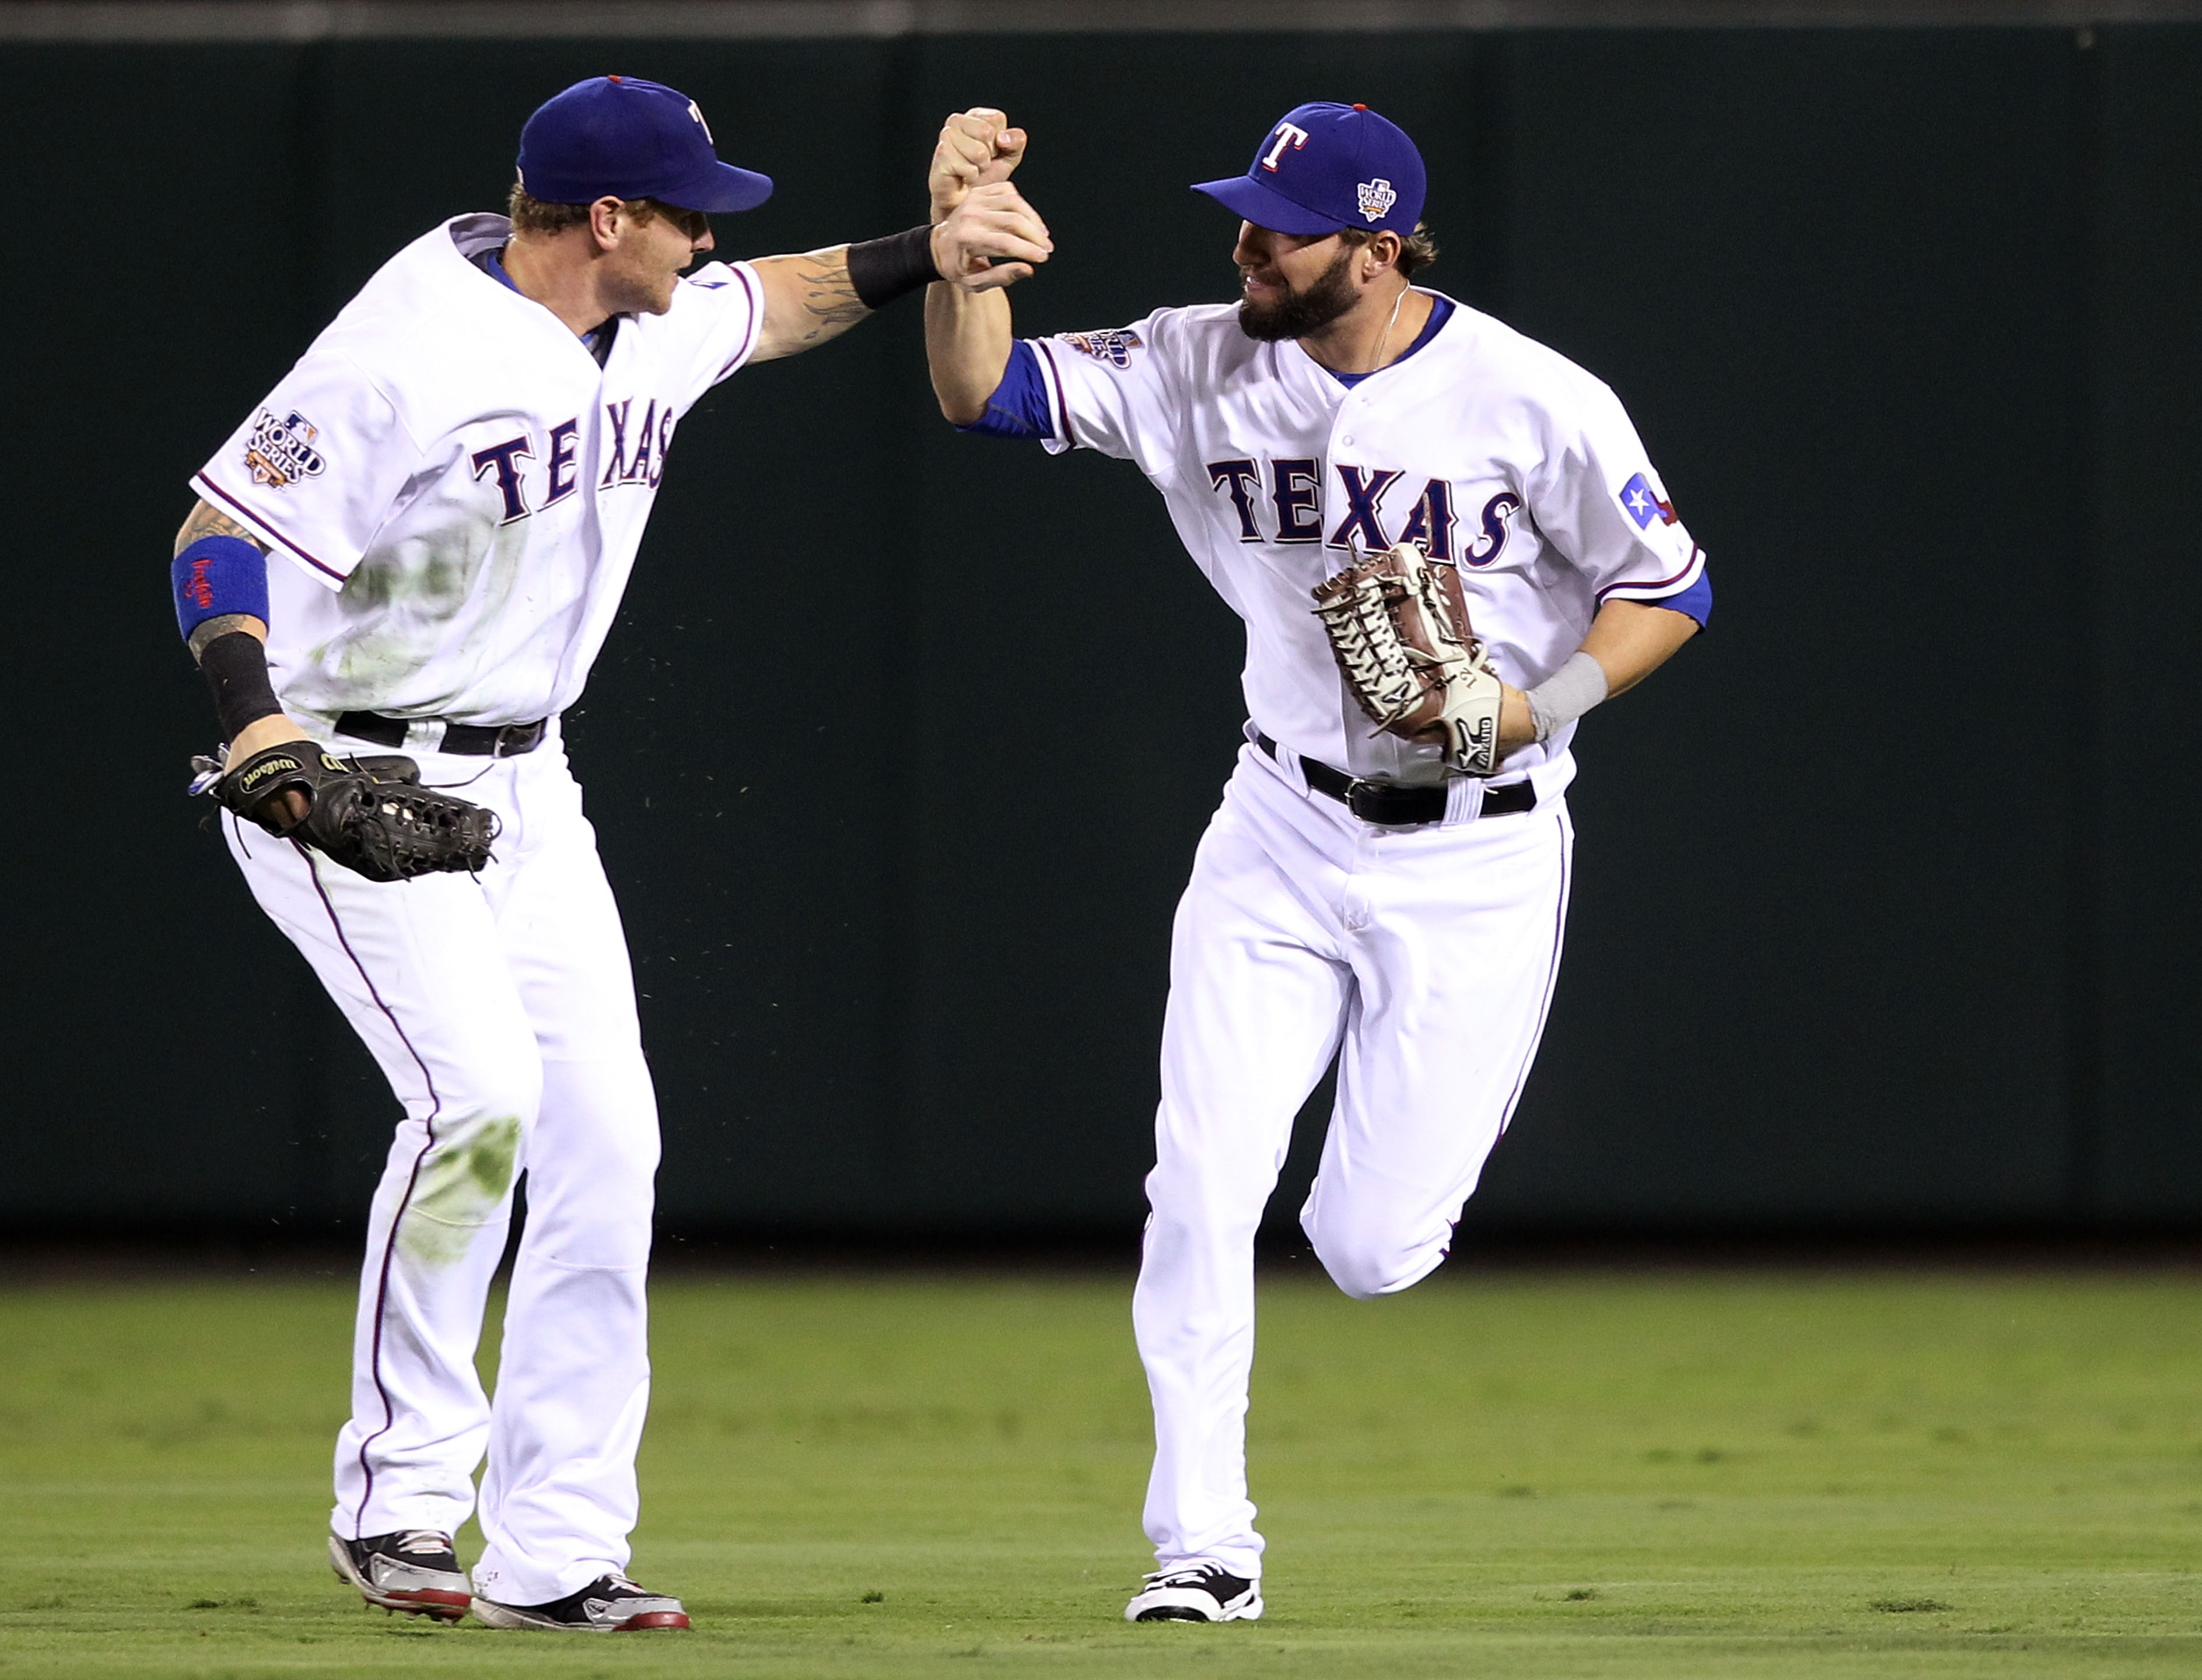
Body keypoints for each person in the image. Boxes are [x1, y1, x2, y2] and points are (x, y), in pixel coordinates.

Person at [169, 79, 1051, 1633]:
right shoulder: (414, 341)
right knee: (481, 1100)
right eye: (688, 208)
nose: (713, 233)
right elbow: (218, 530)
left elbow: (771, 305)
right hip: (343, 765)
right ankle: (398, 1503)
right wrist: (252, 727)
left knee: (606, 1141)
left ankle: (558, 1549)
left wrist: (931, 248)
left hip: (528, 783)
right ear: (607, 220)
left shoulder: (645, 315)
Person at [925, 102, 1709, 1623]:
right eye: (1242, 216)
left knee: (1367, 1248)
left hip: (1475, 863)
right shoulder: (1196, 357)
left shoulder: (1534, 399)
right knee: (1202, 1182)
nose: (1244, 247)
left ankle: (1358, 1268)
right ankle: (1203, 1548)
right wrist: (963, 263)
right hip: (1278, 827)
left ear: (1380, 242)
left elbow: (1673, 587)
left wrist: (1537, 704)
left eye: (1277, 227)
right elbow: (981, 394)